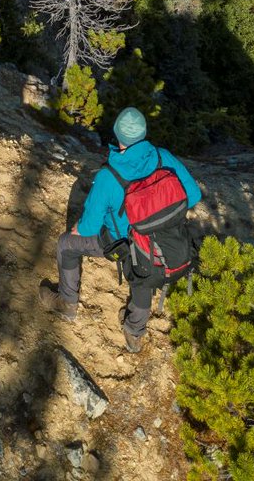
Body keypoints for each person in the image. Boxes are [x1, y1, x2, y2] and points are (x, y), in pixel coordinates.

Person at [38, 107, 201, 353]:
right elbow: (194, 195)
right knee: (142, 279)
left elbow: (89, 226)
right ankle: (134, 333)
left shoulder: (109, 175)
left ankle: (67, 303)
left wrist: (75, 229)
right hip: (162, 243)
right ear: (144, 132)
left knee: (66, 245)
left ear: (117, 134)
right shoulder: (162, 157)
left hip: (120, 243)